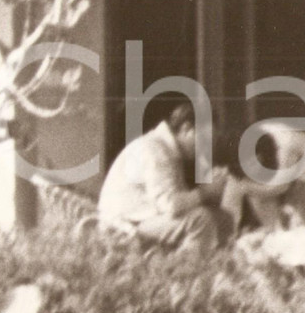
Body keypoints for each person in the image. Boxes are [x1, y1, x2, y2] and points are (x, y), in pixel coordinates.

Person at [98, 103, 233, 254]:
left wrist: (213, 194)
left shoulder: (170, 151)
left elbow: (181, 205)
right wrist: (204, 193)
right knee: (201, 220)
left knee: (223, 219)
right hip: (125, 225)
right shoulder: (154, 148)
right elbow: (169, 205)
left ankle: (215, 269)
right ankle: (185, 273)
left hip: (147, 219)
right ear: (186, 128)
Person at [217, 120, 305, 232]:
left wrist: (246, 188)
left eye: (251, 163)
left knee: (296, 223)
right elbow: (228, 210)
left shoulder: (284, 148)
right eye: (243, 166)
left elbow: (281, 187)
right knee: (274, 230)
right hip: (274, 156)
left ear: (260, 154)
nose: (248, 170)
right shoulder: (235, 160)